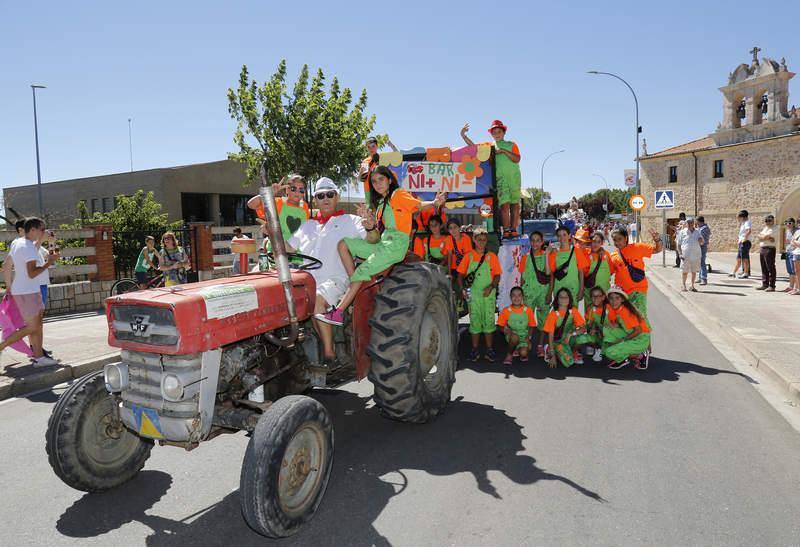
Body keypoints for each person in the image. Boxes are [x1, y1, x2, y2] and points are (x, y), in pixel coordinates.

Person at [318, 166, 445, 326]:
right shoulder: (380, 205)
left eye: (381, 179)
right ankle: (354, 286)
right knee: (344, 244)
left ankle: (339, 312)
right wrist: (369, 222)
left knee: (361, 271)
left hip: (396, 244)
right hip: (384, 242)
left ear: (389, 180)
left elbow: (418, 205)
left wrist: (434, 202)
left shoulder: (398, 195)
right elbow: (376, 233)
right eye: (374, 181)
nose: (378, 184)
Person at [275, 177, 366, 365]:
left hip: (337, 279)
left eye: (330, 194)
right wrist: (271, 231)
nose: (326, 198)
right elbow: (288, 248)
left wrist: (371, 226)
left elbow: (372, 240)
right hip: (306, 280)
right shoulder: (308, 225)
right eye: (321, 195)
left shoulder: (352, 221)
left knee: (316, 298)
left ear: (337, 196)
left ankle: (329, 354)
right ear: (315, 200)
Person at [1, 217, 60, 367]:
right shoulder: (28, 247)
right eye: (42, 229)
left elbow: (10, 263)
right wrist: (49, 263)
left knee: (37, 325)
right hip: (27, 292)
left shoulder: (18, 242)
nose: (44, 232)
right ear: (32, 230)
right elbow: (32, 273)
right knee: (33, 326)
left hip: (27, 290)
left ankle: (39, 358)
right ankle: (1, 346)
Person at [460, 120, 521, 238]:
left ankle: (514, 229)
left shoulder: (512, 144)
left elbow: (517, 158)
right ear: (491, 134)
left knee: (515, 205)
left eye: (499, 131)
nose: (497, 134)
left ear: (504, 132)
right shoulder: (489, 146)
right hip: (500, 179)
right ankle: (507, 230)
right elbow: (474, 148)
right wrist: (464, 136)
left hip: (514, 178)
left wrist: (503, 151)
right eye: (494, 132)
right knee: (504, 204)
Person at [457, 227, 502, 362]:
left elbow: (497, 275)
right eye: (479, 239)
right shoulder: (468, 256)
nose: (482, 242)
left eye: (484, 239)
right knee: (475, 322)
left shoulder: (492, 257)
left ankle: (489, 350)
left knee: (489, 322)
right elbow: (460, 275)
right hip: (473, 296)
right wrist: (462, 289)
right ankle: (474, 349)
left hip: (488, 296)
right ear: (474, 240)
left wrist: (492, 286)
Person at [609, 225, 662, 322]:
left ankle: (644, 336)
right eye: (615, 240)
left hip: (639, 290)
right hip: (621, 293)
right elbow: (608, 273)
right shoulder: (613, 256)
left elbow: (657, 250)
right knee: (624, 319)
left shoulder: (638, 247)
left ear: (626, 238)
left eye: (619, 239)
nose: (617, 242)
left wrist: (657, 240)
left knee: (640, 317)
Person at [247, 174, 310, 246]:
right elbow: (251, 204)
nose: (297, 192)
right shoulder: (278, 202)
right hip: (277, 250)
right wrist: (269, 193)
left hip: (297, 251)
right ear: (287, 189)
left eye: (301, 190)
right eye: (293, 188)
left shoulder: (304, 206)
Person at [518, 231, 551, 358]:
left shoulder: (545, 256)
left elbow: (549, 274)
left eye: (538, 240)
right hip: (528, 294)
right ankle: (525, 343)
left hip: (543, 293)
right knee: (527, 320)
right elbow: (522, 277)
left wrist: (549, 293)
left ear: (542, 242)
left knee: (543, 320)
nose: (535, 243)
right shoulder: (525, 257)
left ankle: (540, 345)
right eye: (533, 240)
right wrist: (520, 294)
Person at [603, 286, 651, 370]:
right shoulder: (618, 309)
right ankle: (623, 352)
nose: (614, 301)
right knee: (607, 329)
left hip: (640, 339)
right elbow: (625, 324)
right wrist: (617, 325)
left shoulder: (626, 312)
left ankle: (640, 355)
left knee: (609, 352)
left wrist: (622, 340)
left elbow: (639, 330)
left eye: (617, 298)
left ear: (622, 299)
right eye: (611, 298)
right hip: (631, 334)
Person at [542, 288, 586, 368]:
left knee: (583, 338)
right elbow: (550, 335)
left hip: (568, 339)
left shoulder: (573, 311)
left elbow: (584, 329)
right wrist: (552, 355)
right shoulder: (553, 314)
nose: (563, 299)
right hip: (557, 341)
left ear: (570, 299)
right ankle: (549, 349)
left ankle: (573, 351)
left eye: (566, 297)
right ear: (557, 299)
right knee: (569, 362)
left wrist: (571, 334)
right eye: (561, 297)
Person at [547, 226, 589, 308]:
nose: (562, 238)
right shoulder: (554, 252)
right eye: (559, 235)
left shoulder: (576, 251)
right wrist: (550, 292)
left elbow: (581, 272)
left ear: (569, 236)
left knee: (573, 314)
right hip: (559, 288)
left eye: (564, 235)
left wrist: (581, 290)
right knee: (560, 315)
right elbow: (552, 275)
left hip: (573, 288)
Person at [497, 287, 537, 365]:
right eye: (514, 295)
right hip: (512, 336)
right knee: (515, 338)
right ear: (510, 297)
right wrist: (505, 330)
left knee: (524, 353)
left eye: (519, 295)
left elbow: (532, 325)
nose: (516, 298)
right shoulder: (506, 311)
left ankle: (517, 349)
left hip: (523, 337)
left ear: (522, 297)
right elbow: (500, 326)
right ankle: (509, 354)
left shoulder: (528, 310)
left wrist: (529, 337)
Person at [574, 286, 607, 362]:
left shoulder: (610, 308)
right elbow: (588, 325)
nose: (596, 298)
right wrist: (577, 331)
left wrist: (597, 330)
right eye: (593, 296)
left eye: (598, 296)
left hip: (610, 337)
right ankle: (598, 348)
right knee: (579, 338)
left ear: (603, 297)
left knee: (610, 352)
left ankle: (606, 350)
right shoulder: (590, 308)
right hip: (599, 336)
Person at [582, 232, 612, 310]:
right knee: (589, 314)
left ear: (602, 243)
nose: (596, 244)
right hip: (589, 292)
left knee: (604, 314)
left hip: (604, 291)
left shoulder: (606, 254)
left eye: (599, 242)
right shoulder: (585, 253)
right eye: (594, 241)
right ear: (590, 241)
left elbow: (611, 271)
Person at [677, 217, 704, 292]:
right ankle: (684, 285)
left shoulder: (697, 232)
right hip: (685, 256)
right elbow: (678, 244)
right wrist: (680, 254)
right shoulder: (682, 232)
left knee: (694, 271)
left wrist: (701, 241)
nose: (689, 224)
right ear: (686, 224)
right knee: (685, 271)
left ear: (693, 223)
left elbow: (702, 242)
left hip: (695, 255)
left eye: (691, 222)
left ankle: (692, 286)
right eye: (688, 223)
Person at [755, 215, 777, 292]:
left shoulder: (775, 228)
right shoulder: (766, 228)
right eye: (766, 221)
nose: (767, 222)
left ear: (773, 220)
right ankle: (765, 284)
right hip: (763, 248)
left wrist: (763, 237)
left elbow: (765, 237)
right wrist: (764, 237)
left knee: (770, 267)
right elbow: (759, 236)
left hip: (769, 249)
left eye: (769, 220)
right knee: (764, 267)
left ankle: (772, 286)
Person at [730, 210, 752, 279]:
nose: (738, 219)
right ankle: (734, 272)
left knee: (745, 258)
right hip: (742, 243)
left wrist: (744, 239)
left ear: (743, 217)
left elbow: (749, 231)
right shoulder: (744, 223)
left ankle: (746, 273)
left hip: (745, 243)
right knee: (739, 258)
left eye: (739, 217)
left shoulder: (747, 223)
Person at [783, 218, 798, 293]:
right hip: (788, 251)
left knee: (795, 271)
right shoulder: (787, 231)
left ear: (793, 223)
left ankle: (796, 287)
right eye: (786, 223)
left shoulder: (797, 231)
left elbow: (795, 242)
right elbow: (787, 242)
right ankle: (791, 286)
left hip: (794, 252)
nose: (788, 224)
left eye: (790, 223)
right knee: (790, 271)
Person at [696, 216, 711, 285]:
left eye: (697, 221)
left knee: (702, 262)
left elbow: (702, 240)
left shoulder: (704, 229)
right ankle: (700, 278)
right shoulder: (701, 228)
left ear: (699, 221)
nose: (696, 223)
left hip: (702, 247)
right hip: (699, 247)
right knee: (700, 263)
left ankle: (704, 279)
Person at [791, 227, 800, 296]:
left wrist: (795, 242)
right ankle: (797, 288)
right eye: (798, 222)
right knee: (797, 272)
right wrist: (795, 242)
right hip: (796, 253)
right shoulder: (797, 232)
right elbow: (791, 243)